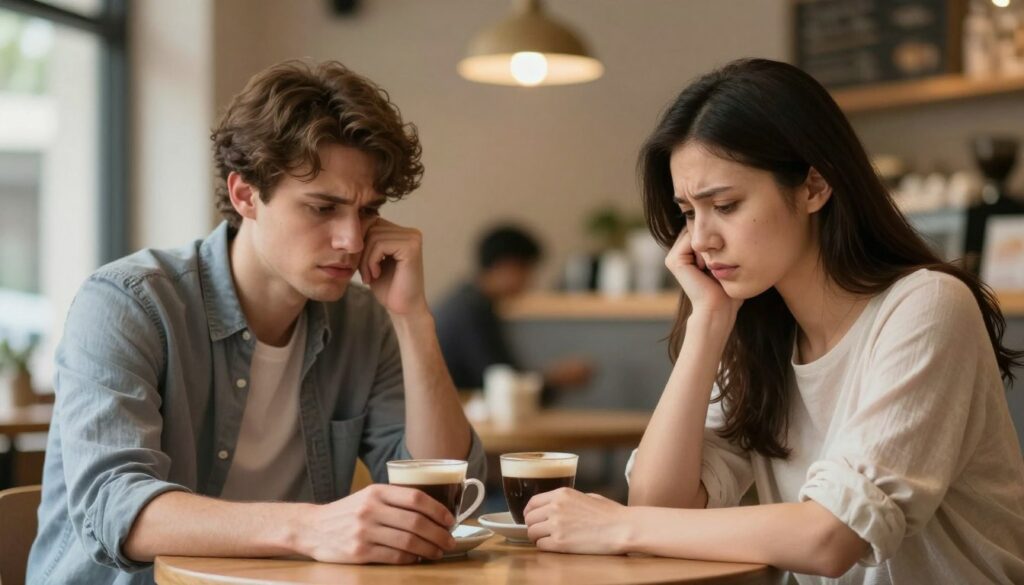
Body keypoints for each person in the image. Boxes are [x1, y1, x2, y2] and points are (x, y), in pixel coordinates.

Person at [520, 58, 1024, 583]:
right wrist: (707, 325)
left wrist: (620, 526)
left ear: (813, 187)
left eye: (727, 205)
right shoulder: (756, 330)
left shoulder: (927, 306)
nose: (700, 239)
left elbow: (831, 537)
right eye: (689, 213)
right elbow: (662, 501)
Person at [27, 60, 486, 585]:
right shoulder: (129, 303)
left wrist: (413, 319)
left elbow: (446, 497)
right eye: (322, 208)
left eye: (367, 211)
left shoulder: (365, 321)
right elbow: (115, 507)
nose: (353, 240)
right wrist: (312, 528)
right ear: (246, 194)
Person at [434, 225, 592, 398]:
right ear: (506, 265)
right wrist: (556, 378)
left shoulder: (468, 302)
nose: (530, 283)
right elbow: (499, 382)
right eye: (526, 271)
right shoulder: (470, 311)